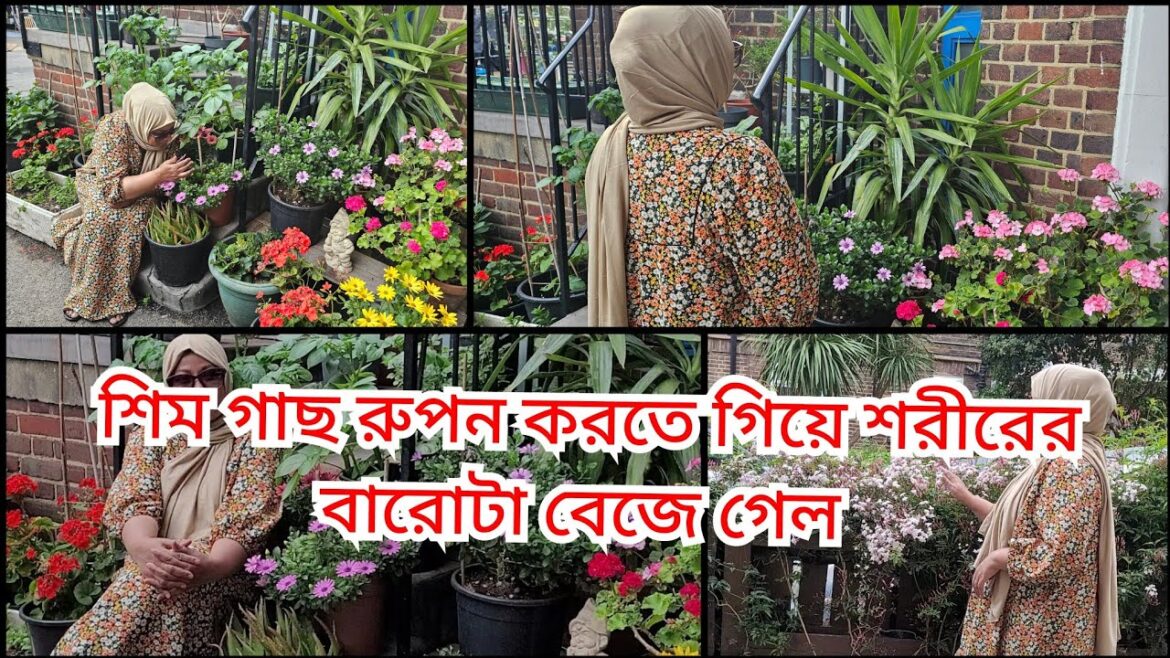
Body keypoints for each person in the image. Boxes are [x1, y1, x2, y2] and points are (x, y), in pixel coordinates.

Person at [584, 5, 818, 327]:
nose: (729, 66)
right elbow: (792, 304)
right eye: (724, 54)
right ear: (699, 63)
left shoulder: (612, 147)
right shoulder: (735, 162)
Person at [54, 335, 282, 656]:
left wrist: (205, 566)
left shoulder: (254, 437)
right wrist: (145, 548)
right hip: (152, 563)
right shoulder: (153, 432)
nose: (199, 389)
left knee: (155, 590)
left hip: (221, 572)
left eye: (210, 375)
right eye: (183, 380)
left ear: (226, 379)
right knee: (150, 585)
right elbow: (136, 500)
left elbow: (245, 520)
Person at [940, 363, 1120, 655]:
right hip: (1035, 622)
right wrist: (967, 496)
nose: (1032, 406)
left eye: (1040, 399)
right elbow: (1021, 525)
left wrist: (998, 558)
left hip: (1040, 627)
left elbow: (1060, 553)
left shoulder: (1070, 466)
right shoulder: (1061, 457)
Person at [52, 82, 195, 327]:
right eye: (159, 135)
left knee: (132, 220)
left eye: (170, 132)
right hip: (100, 183)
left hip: (147, 189)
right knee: (101, 218)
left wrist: (163, 177)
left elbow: (164, 184)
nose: (167, 139)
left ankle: (115, 299)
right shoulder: (114, 128)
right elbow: (113, 193)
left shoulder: (167, 131)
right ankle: (83, 295)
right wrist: (159, 174)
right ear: (141, 122)